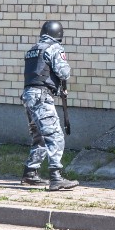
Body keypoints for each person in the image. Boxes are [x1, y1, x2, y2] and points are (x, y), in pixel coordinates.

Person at [21, 20, 79, 191]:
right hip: (42, 96)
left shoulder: (33, 49)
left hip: (29, 95)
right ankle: (56, 177)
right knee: (55, 135)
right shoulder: (54, 48)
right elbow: (64, 73)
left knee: (39, 136)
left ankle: (30, 173)